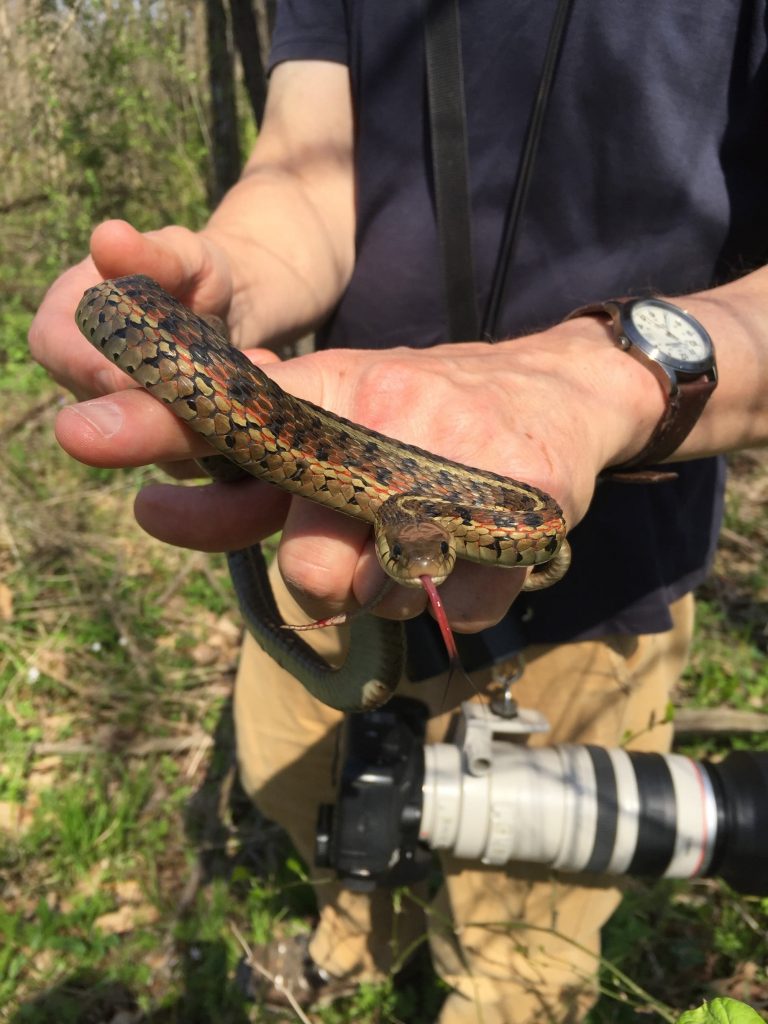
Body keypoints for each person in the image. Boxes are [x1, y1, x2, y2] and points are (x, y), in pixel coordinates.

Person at [30, 3, 768, 1022]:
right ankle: (351, 943)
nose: (422, 556)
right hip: (324, 513)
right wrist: (232, 274)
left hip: (617, 568)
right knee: (312, 796)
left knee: (523, 926)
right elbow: (309, 166)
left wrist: (620, 374)